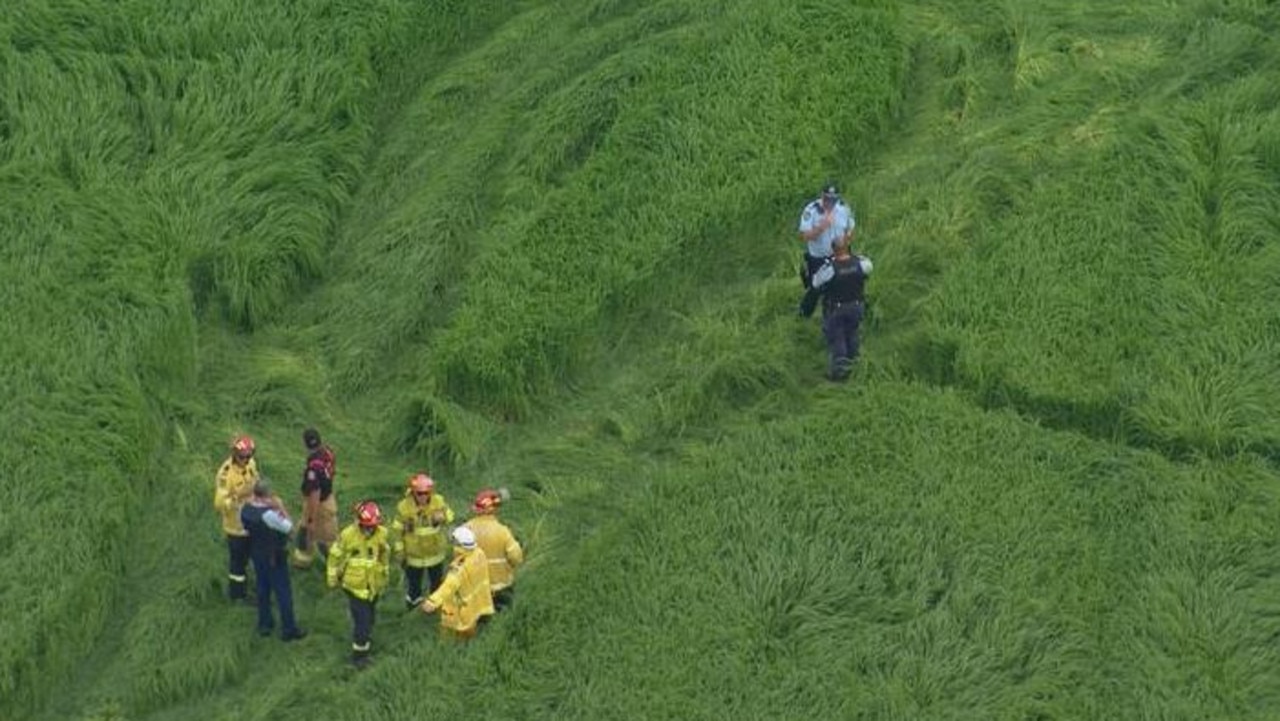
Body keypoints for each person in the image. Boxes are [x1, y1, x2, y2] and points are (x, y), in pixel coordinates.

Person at [327, 501, 391, 669]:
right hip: (354, 587)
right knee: (362, 623)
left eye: (373, 526)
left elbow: (384, 554)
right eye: (366, 526)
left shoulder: (382, 533)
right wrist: (332, 578)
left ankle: (365, 640)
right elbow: (334, 556)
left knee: (370, 618)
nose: (370, 529)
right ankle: (359, 657)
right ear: (358, 522)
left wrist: (385, 574)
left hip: (373, 586)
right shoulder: (348, 535)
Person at [240, 479, 307, 641]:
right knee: (283, 592)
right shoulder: (269, 515)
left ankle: (265, 625)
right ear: (268, 495)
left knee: (262, 589)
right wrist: (280, 508)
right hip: (274, 557)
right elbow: (289, 527)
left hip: (256, 554)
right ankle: (289, 629)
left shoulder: (245, 509)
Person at [811, 236, 873, 381]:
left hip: (837, 309)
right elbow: (869, 267)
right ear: (848, 248)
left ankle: (840, 373)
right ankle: (856, 367)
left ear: (833, 250)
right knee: (853, 334)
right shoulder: (861, 263)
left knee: (837, 337)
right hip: (857, 306)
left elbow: (815, 283)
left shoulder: (830, 268)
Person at [391, 473, 455, 609]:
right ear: (413, 492)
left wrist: (443, 516)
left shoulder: (439, 501)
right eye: (420, 493)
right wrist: (400, 551)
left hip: (435, 554)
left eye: (427, 493)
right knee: (414, 584)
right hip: (414, 556)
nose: (424, 496)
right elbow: (397, 531)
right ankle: (413, 605)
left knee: (436, 583)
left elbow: (450, 515)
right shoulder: (403, 507)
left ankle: (435, 606)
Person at [420, 526, 494, 641]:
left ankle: (450, 650)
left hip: (459, 608)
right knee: (471, 627)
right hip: (475, 602)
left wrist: (432, 602)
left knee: (452, 635)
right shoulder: (479, 553)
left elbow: (448, 587)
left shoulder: (459, 568)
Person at [796, 182, 856, 318]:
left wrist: (846, 241)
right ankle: (804, 314)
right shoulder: (811, 211)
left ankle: (850, 308)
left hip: (840, 254)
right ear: (822, 196)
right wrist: (821, 227)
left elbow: (850, 228)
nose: (830, 202)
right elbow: (804, 236)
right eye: (827, 199)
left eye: (833, 199)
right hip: (818, 257)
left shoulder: (843, 208)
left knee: (848, 281)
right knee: (816, 288)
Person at [213, 435, 259, 602]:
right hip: (236, 527)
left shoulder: (251, 464)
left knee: (254, 555)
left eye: (249, 455)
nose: (246, 460)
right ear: (234, 454)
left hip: (252, 520)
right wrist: (238, 496)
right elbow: (219, 504)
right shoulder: (226, 475)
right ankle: (237, 594)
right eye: (243, 457)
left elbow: (255, 481)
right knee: (238, 564)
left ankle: (252, 585)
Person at [464, 488, 524, 611]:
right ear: (495, 509)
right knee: (504, 614)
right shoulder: (502, 531)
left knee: (479, 615)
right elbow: (516, 557)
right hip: (501, 586)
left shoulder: (466, 529)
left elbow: (458, 555)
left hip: (476, 586)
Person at [292, 428, 338, 569]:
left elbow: (314, 494)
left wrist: (311, 519)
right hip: (328, 498)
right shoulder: (328, 452)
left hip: (319, 505)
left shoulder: (312, 470)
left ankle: (335, 568)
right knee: (307, 530)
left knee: (318, 535)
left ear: (305, 444)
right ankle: (303, 560)